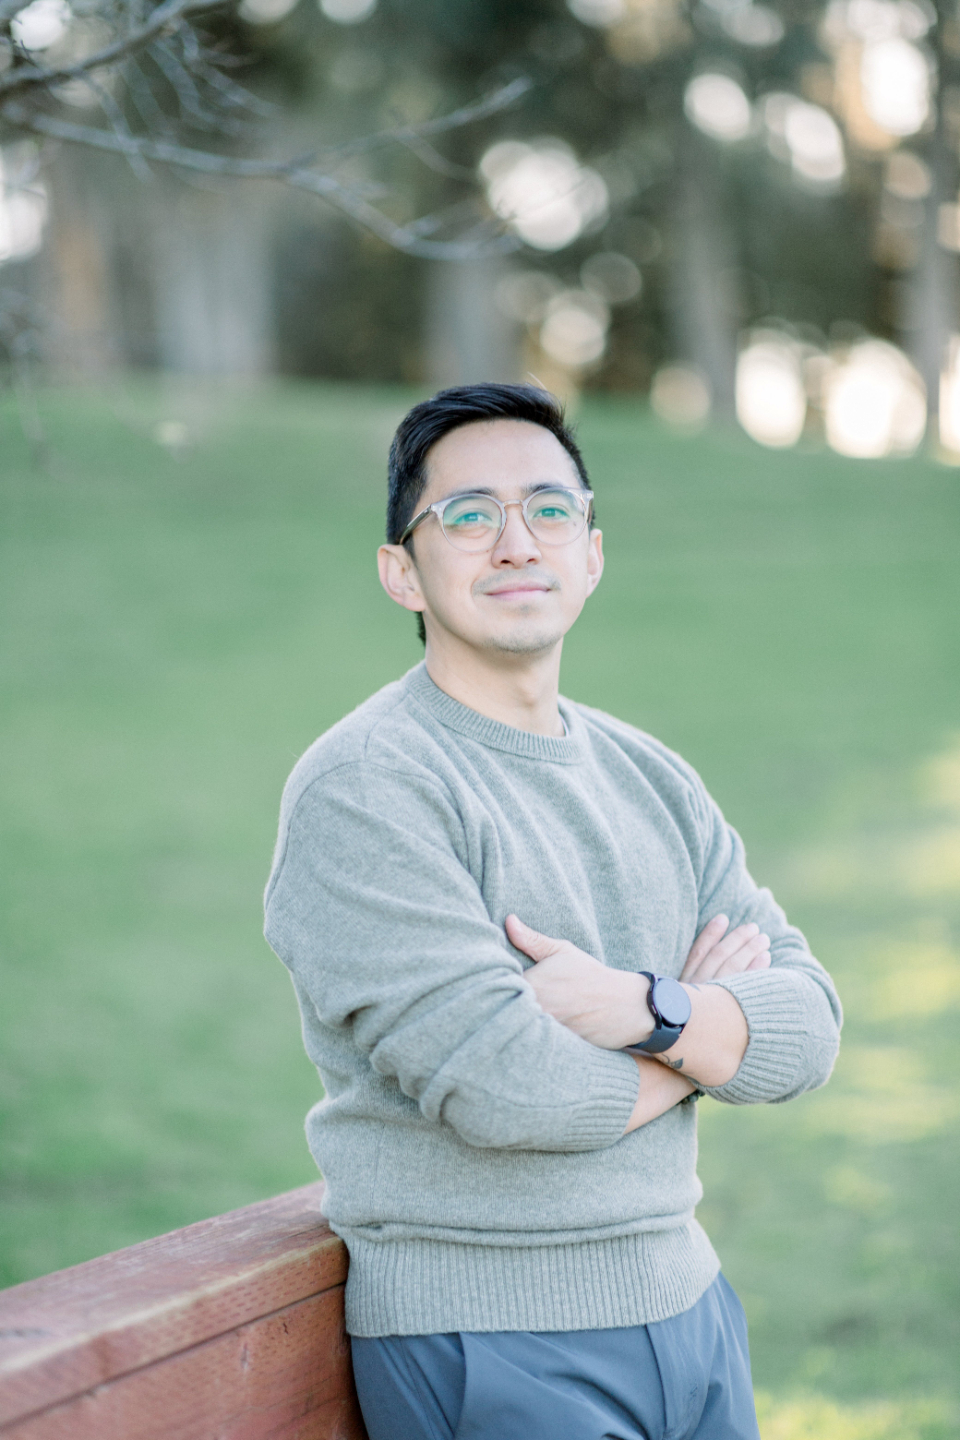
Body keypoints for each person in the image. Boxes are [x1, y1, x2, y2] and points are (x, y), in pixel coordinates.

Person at [264, 383, 842, 1440]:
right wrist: (703, 1035)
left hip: (691, 1308)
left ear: (592, 553)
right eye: (468, 515)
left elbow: (808, 1029)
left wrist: (641, 1006)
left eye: (549, 509)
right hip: (492, 1338)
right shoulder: (368, 788)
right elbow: (512, 1095)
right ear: (402, 573)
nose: (517, 541)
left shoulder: (650, 774)